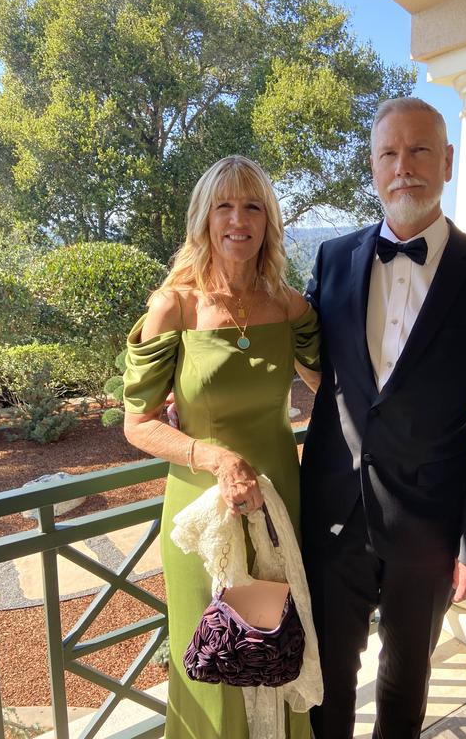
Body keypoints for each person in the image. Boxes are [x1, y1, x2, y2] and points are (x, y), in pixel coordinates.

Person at [300, 97, 466, 739]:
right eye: (389, 153)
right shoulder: (332, 259)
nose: (403, 166)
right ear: (373, 168)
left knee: (405, 688)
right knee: (325, 683)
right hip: (333, 515)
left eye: (419, 150)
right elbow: (295, 349)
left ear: (448, 161)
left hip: (430, 527)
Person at [122, 155, 321, 739]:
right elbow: (138, 424)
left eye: (253, 206)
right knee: (216, 658)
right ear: (204, 219)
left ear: (269, 221)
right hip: (204, 514)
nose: (239, 220)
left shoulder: (288, 305)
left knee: (269, 652)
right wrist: (216, 457)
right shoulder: (175, 306)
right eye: (224, 207)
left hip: (275, 507)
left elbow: (333, 387)